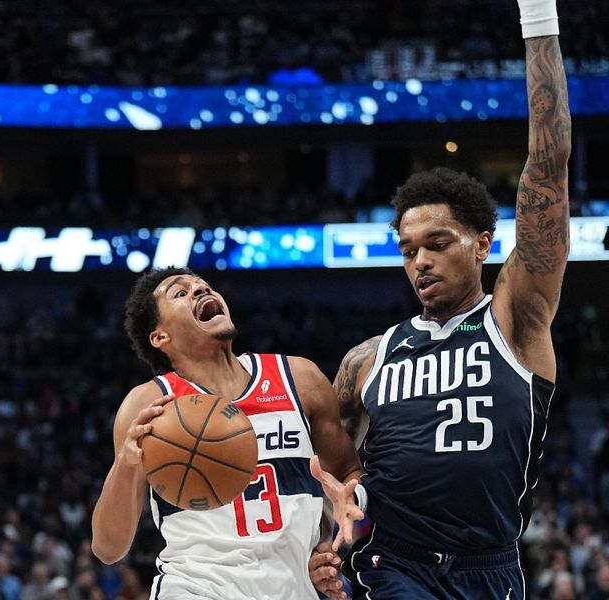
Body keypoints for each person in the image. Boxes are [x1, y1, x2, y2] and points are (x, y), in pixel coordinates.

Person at [310, 0, 572, 598]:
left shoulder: (516, 320)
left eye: (437, 243)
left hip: (492, 565)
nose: (420, 261)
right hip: (389, 562)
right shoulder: (367, 360)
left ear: (482, 244)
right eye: (407, 250)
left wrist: (537, 17)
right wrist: (322, 546)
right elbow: (330, 475)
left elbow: (549, 163)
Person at [91, 267, 363, 599]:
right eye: (181, 292)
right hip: (195, 588)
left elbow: (348, 477)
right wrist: (125, 464)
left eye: (203, 286)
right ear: (160, 336)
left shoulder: (299, 379)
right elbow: (108, 548)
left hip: (294, 588)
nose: (199, 290)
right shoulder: (150, 406)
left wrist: (329, 541)